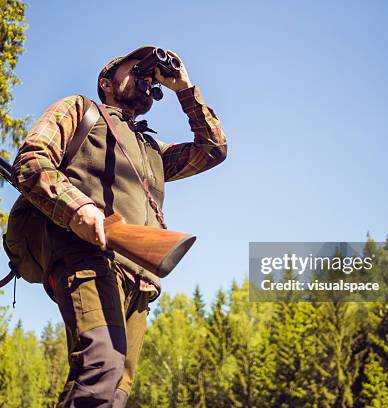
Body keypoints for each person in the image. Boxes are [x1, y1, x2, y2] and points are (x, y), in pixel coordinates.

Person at [12, 46, 227, 407]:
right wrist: (77, 206)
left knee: (115, 394)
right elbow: (32, 162)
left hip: (140, 282)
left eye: (150, 76)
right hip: (86, 254)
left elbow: (213, 148)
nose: (145, 79)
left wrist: (184, 89)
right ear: (106, 83)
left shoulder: (151, 148)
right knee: (100, 367)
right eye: (136, 70)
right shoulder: (81, 110)